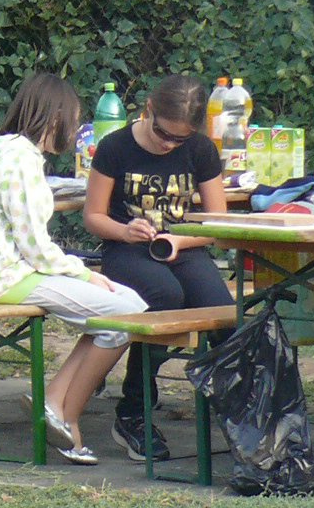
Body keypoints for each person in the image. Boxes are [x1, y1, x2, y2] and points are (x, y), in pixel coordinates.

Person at [0, 74, 148, 463]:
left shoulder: (8, 153)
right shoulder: (19, 164)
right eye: (75, 119)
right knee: (126, 313)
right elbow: (36, 248)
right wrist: (83, 272)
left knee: (124, 308)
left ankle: (53, 404)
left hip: (14, 271)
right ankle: (66, 415)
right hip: (9, 278)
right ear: (54, 119)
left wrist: (78, 272)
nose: (76, 128)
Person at [83, 74, 232, 462]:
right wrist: (124, 230)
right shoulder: (116, 147)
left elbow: (218, 222)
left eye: (180, 140)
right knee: (165, 297)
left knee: (223, 311)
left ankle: (239, 407)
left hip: (181, 246)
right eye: (164, 135)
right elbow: (93, 217)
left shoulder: (200, 150)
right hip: (126, 248)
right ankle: (134, 410)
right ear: (149, 109)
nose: (169, 145)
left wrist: (181, 240)